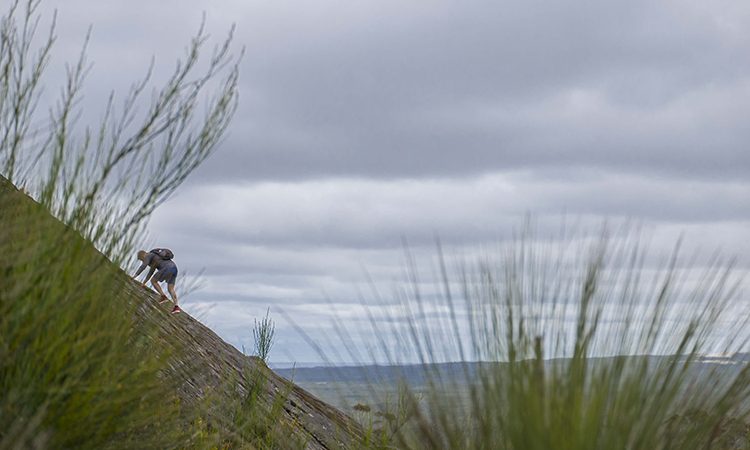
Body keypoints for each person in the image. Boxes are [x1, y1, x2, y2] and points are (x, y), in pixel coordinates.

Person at [132, 249, 180, 314]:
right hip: (174, 268)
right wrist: (144, 283)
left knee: (153, 281)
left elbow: (143, 266)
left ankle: (163, 297)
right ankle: (176, 307)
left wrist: (133, 277)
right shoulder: (155, 257)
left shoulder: (148, 256)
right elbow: (151, 272)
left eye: (141, 260)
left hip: (166, 268)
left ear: (143, 256)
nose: (143, 261)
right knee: (171, 289)